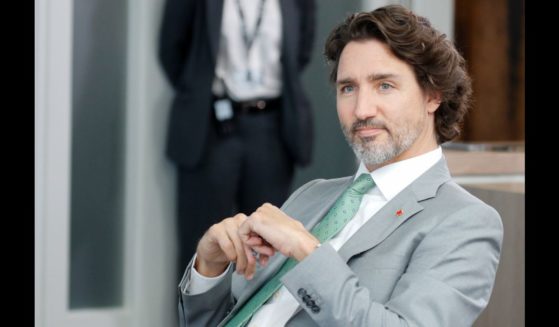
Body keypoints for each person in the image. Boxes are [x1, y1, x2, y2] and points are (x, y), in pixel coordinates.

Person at [177, 5, 503, 326]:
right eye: (348, 88)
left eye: (384, 86)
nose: (361, 109)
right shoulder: (312, 195)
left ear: (434, 95)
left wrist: (307, 251)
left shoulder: (466, 221)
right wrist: (209, 269)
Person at [158, 0, 316, 278]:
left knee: (268, 249)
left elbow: (300, 52)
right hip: (212, 126)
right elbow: (172, 50)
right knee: (203, 246)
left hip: (271, 127)